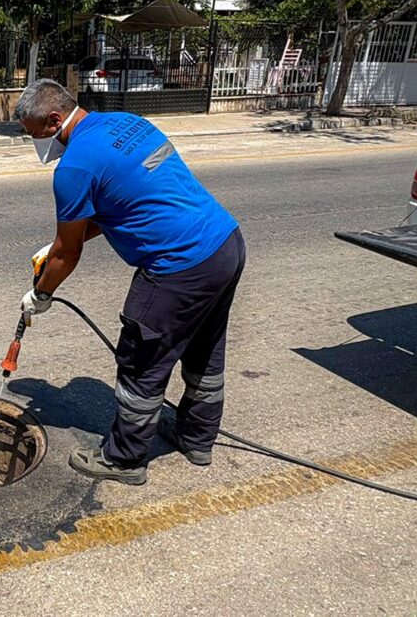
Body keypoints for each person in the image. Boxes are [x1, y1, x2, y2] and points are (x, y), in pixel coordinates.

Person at [14, 79, 245, 485]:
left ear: (53, 121)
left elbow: (69, 253)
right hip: (225, 244)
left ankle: (124, 459)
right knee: (204, 352)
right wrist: (54, 245)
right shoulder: (127, 122)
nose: (36, 146)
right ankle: (196, 439)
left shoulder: (74, 167)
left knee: (141, 362)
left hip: (178, 267)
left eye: (34, 135)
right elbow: (118, 207)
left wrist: (42, 292)